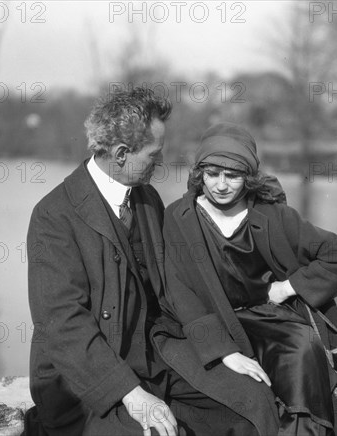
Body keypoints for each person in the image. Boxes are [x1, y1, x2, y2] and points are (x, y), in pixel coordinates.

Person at [25, 90, 278, 436]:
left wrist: (220, 351)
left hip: (155, 357)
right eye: (154, 154)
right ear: (121, 154)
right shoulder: (53, 216)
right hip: (82, 383)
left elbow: (174, 286)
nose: (160, 162)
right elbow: (62, 325)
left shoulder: (146, 200)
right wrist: (130, 394)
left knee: (253, 400)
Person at [155, 123, 337, 436]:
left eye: (233, 175)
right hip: (217, 321)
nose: (221, 185)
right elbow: (180, 291)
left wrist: (287, 287)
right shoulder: (179, 217)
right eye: (212, 174)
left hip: (269, 317)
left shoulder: (272, 215)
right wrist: (223, 351)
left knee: (303, 352)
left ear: (247, 176)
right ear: (200, 173)